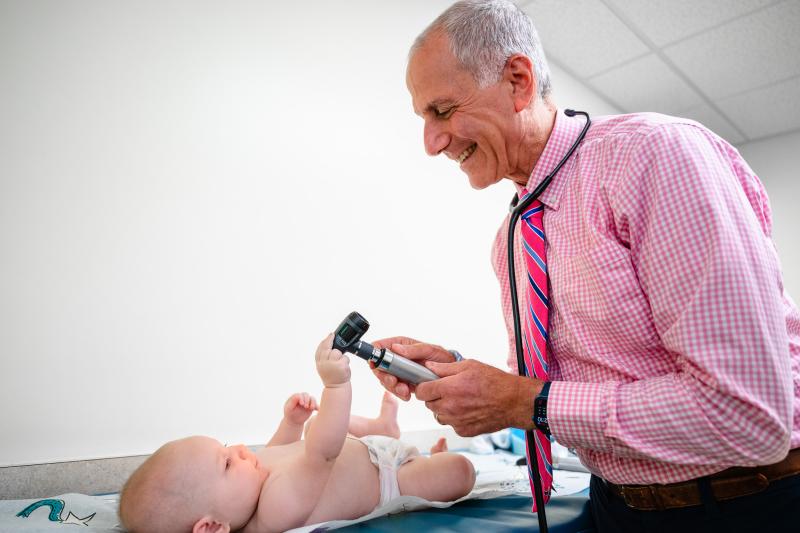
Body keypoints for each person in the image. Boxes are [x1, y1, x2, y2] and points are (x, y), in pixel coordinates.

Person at [372, 1, 800, 531]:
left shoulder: (657, 156)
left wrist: (525, 401)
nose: (432, 144)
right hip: (612, 506)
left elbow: (748, 412)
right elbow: (565, 387)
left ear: (518, 80)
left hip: (738, 505)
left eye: (441, 110)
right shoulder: (513, 235)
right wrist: (463, 377)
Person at [118, 334, 475, 533]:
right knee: (460, 473)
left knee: (316, 425)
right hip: (391, 481)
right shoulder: (274, 510)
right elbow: (322, 453)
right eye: (227, 462)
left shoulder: (251, 480)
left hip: (366, 448)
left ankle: (386, 430)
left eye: (228, 447)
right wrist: (335, 385)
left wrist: (290, 423)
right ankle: (435, 459)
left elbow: (280, 451)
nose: (241, 449)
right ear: (211, 527)